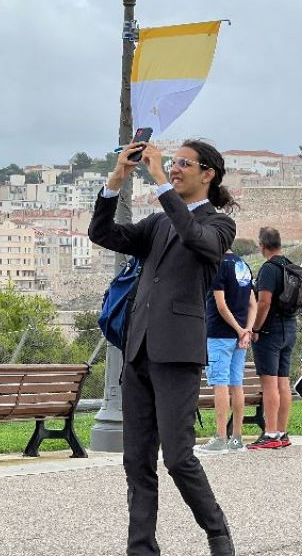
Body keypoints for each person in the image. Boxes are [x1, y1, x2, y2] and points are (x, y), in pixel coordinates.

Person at [89, 139, 238, 556]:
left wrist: (158, 182)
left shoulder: (219, 225)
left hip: (177, 353)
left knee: (178, 457)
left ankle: (217, 533)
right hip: (137, 350)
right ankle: (141, 548)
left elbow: (199, 242)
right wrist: (117, 178)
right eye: (171, 163)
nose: (173, 169)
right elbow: (102, 233)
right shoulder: (157, 224)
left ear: (207, 174)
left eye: (183, 164)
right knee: (136, 460)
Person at [197, 247, 256, 454]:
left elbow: (220, 306)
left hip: (220, 334)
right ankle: (237, 438)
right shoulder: (243, 266)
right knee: (236, 383)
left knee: (220, 383)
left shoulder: (218, 266)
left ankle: (221, 437)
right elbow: (252, 304)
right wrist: (247, 330)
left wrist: (239, 330)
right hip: (240, 336)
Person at [248, 226, 297, 450]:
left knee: (269, 384)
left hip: (270, 331)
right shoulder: (289, 265)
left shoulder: (269, 269)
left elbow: (264, 302)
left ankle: (270, 433)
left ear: (262, 245)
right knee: (283, 381)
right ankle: (282, 431)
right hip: (290, 327)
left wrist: (255, 327)